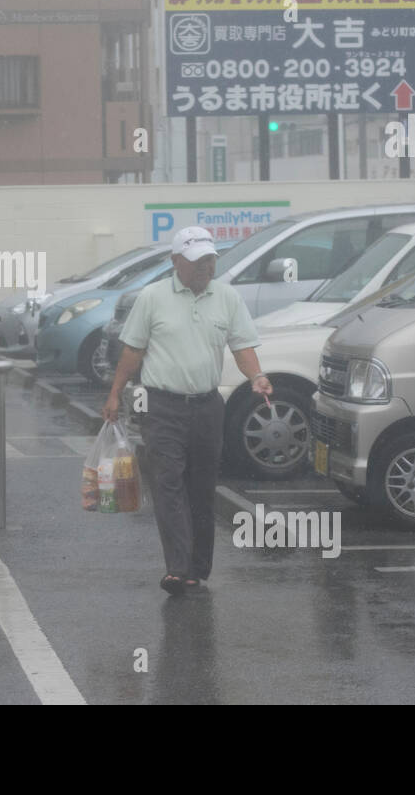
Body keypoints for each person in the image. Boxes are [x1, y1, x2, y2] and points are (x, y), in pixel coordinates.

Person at [102, 226, 272, 596]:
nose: (205, 267)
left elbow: (242, 345)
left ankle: (198, 567)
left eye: (210, 260)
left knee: (202, 488)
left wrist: (256, 375)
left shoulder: (226, 297)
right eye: (196, 261)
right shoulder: (153, 297)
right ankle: (179, 569)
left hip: (208, 406)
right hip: (162, 406)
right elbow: (133, 351)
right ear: (175, 261)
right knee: (167, 483)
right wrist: (116, 393)